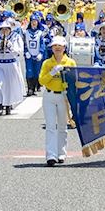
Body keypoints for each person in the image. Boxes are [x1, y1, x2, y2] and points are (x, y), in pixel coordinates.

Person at [39, 37, 75, 166]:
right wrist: (52, 72)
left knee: (62, 126)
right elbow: (42, 81)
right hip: (49, 96)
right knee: (50, 126)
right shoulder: (47, 63)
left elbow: (75, 81)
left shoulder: (70, 62)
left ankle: (61, 153)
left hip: (63, 97)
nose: (58, 48)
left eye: (60, 46)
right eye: (55, 46)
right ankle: (51, 155)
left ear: (65, 48)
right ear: (52, 48)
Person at [0, 19, 26, 116]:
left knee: (9, 86)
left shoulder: (16, 37)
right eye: (3, 29)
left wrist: (10, 47)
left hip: (10, 64)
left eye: (7, 29)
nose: (4, 31)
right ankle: (0, 105)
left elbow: (19, 52)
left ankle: (8, 105)